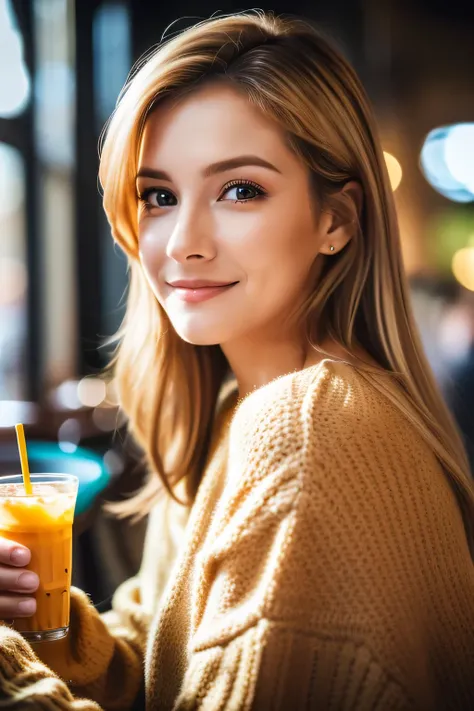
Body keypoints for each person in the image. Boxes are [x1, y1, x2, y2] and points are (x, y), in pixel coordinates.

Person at [1, 10, 474, 710]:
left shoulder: (305, 433)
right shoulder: (235, 409)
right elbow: (165, 668)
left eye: (239, 190)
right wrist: (40, 619)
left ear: (336, 220)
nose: (183, 242)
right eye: (158, 196)